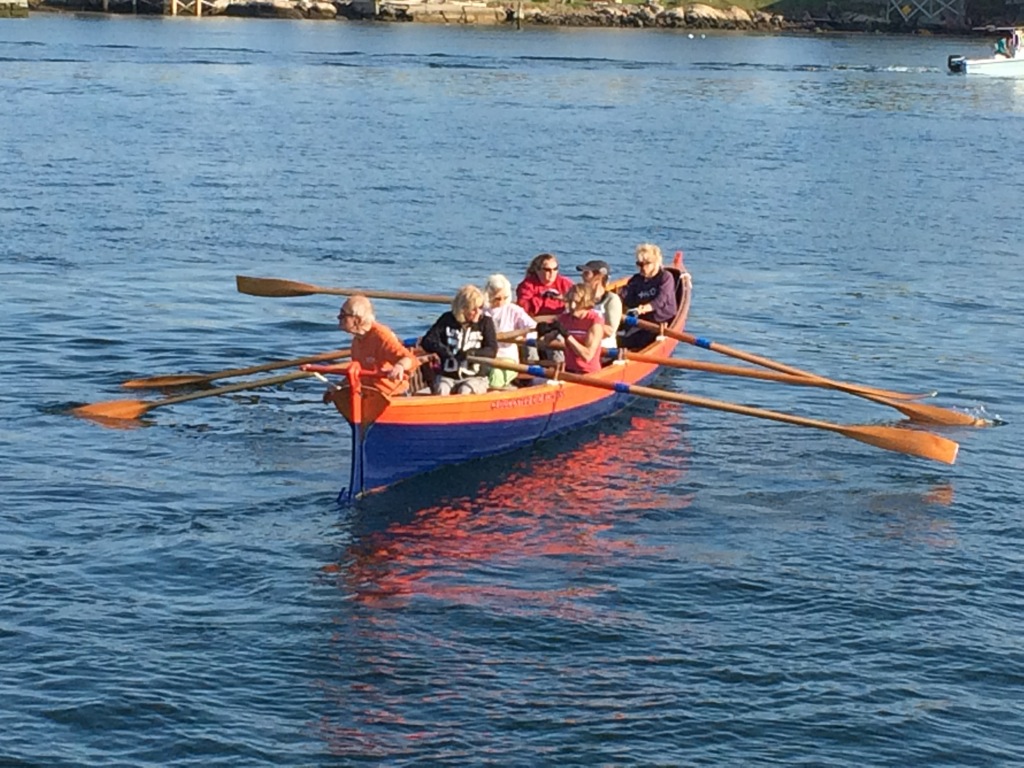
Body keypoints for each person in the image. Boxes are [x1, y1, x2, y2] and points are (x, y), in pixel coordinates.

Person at [326, 295, 420, 397]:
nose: (338, 317)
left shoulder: (381, 336)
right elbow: (358, 373)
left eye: (343, 315)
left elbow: (410, 359)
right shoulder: (357, 340)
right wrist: (339, 387)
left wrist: (399, 366)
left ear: (357, 319)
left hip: (393, 394)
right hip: (371, 393)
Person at [420, 284, 498, 395]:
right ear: (462, 309)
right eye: (473, 309)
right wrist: (444, 351)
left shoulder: (485, 322)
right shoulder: (447, 319)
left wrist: (470, 353)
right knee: (442, 390)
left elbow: (492, 350)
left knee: (465, 391)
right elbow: (427, 341)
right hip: (448, 376)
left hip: (475, 377)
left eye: (480, 308)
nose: (478, 312)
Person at [619, 242, 678, 351]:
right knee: (619, 340)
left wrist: (644, 309)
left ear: (656, 262)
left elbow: (660, 301)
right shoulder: (636, 280)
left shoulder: (665, 278)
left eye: (646, 264)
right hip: (642, 322)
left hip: (662, 322)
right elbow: (623, 296)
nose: (642, 267)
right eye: (639, 264)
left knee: (638, 343)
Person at [484, 274, 536, 390]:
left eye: (505, 297)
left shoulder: (513, 310)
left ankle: (493, 393)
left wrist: (522, 337)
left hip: (507, 358)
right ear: (489, 296)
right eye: (497, 298)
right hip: (485, 355)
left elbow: (533, 328)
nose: (502, 302)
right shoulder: (482, 311)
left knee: (496, 373)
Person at [539, 283, 604, 374]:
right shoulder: (564, 319)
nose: (572, 306)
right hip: (569, 370)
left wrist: (567, 336)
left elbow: (587, 356)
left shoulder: (594, 322)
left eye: (577, 303)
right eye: (570, 302)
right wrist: (544, 331)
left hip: (588, 372)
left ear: (586, 302)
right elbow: (543, 343)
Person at [576, 259, 623, 351]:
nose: (582, 277)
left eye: (586, 273)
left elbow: (609, 331)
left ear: (599, 277)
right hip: (580, 345)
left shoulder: (612, 300)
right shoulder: (580, 297)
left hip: (604, 349)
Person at [515, 252, 575, 317]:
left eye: (555, 269)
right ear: (537, 270)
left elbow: (580, 301)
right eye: (547, 270)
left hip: (561, 318)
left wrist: (565, 298)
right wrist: (543, 297)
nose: (552, 272)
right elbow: (523, 309)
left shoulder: (565, 282)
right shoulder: (527, 285)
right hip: (537, 318)